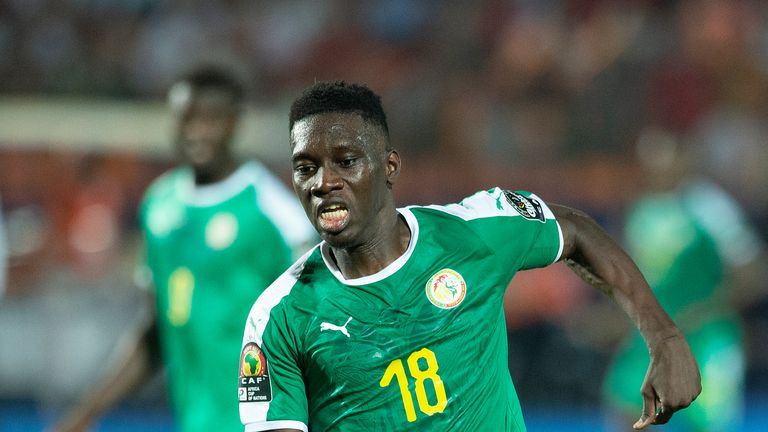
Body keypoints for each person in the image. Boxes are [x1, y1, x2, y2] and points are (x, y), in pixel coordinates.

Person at [237, 81, 701, 431]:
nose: (323, 182)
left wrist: (665, 338)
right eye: (305, 168)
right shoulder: (280, 317)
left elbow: (575, 230)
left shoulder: (473, 231)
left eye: (346, 161)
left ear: (390, 166)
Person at [54, 67, 315, 432]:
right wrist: (87, 412)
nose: (196, 132)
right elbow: (157, 328)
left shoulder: (275, 213)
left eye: (210, 120)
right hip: (194, 420)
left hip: (264, 422)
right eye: (186, 120)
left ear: (235, 122)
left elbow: (316, 324)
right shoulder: (159, 206)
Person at [602, 128, 766, 431]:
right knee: (628, 411)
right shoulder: (641, 209)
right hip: (649, 340)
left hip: (704, 340)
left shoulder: (709, 207)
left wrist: (706, 310)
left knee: (702, 422)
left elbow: (752, 273)